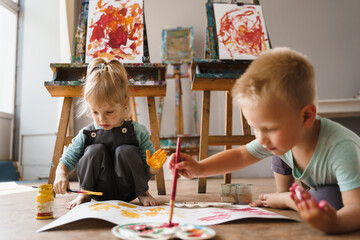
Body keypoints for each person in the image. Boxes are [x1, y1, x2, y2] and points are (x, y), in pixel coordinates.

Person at [168, 47, 360, 233]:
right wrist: (199, 169)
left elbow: (356, 209)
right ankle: (285, 194)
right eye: (254, 127)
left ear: (306, 117)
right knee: (276, 147)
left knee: (326, 201)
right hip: (315, 180)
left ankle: (286, 198)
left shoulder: (342, 149)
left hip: (349, 191)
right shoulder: (285, 136)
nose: (260, 138)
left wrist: (333, 224)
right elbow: (242, 155)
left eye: (269, 128)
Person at [53, 58, 166, 209]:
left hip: (130, 190)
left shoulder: (138, 131)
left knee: (126, 151)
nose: (101, 118)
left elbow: (149, 169)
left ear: (125, 102)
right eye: (95, 112)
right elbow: (66, 160)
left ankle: (143, 193)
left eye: (109, 112)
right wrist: (61, 174)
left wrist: (154, 167)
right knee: (94, 150)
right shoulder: (86, 133)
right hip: (96, 190)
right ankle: (84, 194)